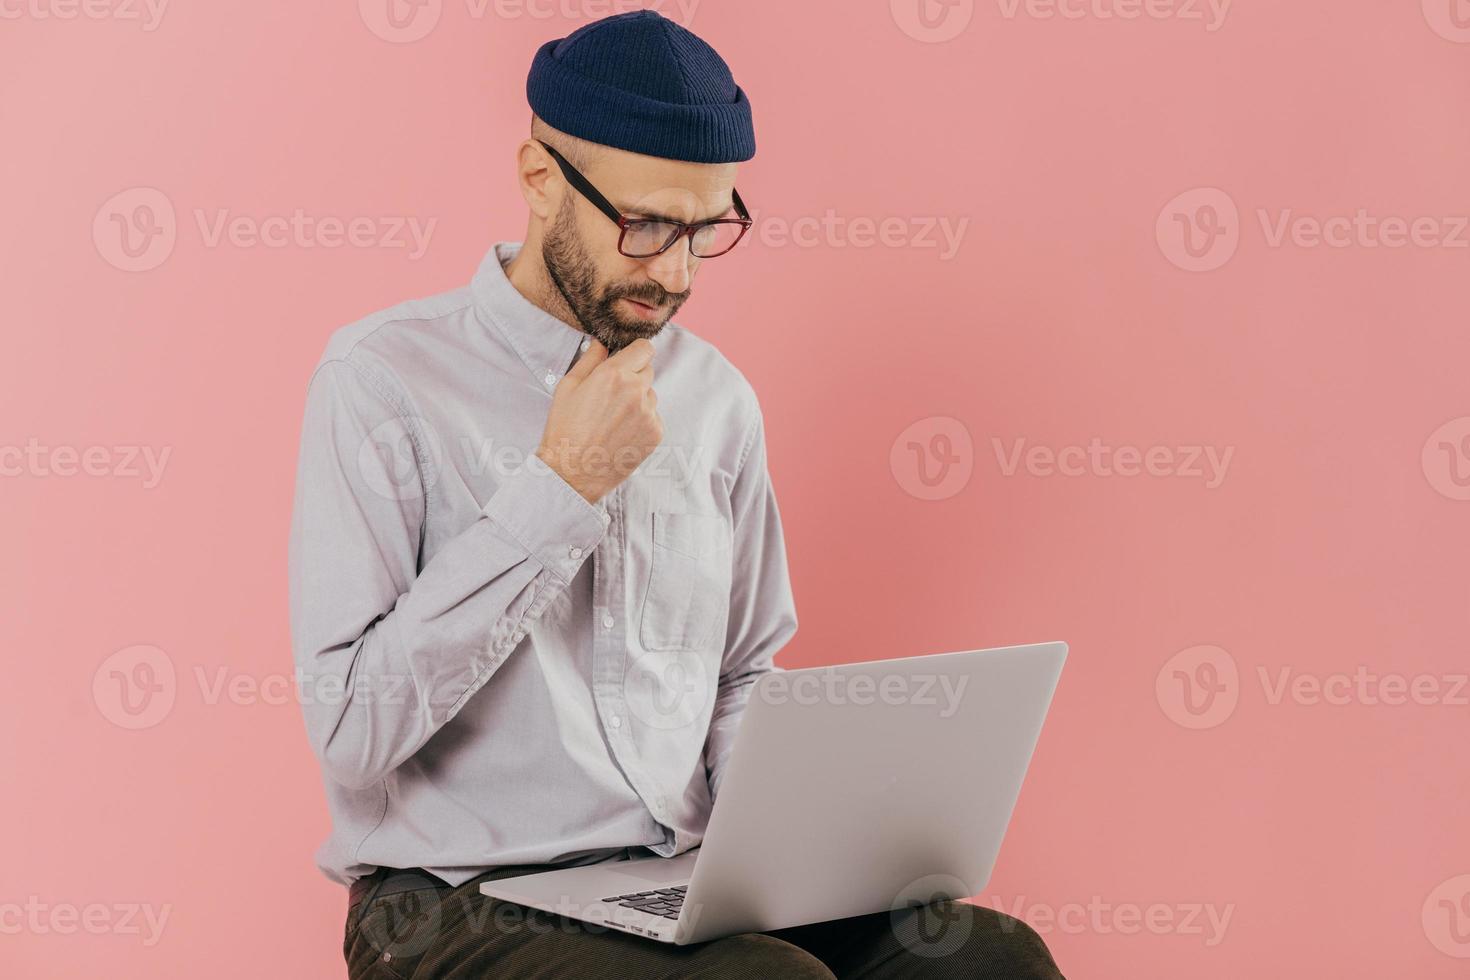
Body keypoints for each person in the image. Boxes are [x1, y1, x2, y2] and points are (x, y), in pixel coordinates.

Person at [288, 10, 1065, 977]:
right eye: (646, 223)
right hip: (452, 895)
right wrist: (561, 488)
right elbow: (353, 727)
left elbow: (743, 676)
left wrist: (786, 856)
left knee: (986, 959)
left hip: (672, 879)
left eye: (707, 229)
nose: (677, 271)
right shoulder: (383, 379)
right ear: (539, 179)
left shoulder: (716, 400)